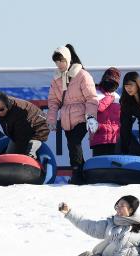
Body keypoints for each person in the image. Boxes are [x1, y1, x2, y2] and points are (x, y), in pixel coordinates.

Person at [47, 45, 99, 179]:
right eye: (56, 62)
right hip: (66, 118)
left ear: (68, 59)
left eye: (61, 61)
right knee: (72, 147)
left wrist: (91, 116)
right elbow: (53, 101)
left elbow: (91, 98)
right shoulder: (56, 78)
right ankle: (80, 173)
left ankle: (76, 174)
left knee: (74, 142)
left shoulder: (82, 75)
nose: (59, 64)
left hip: (82, 116)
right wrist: (51, 119)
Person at [0, 92, 50, 159]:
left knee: (28, 154)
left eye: (1, 109)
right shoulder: (0, 106)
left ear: (7, 104)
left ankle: (31, 158)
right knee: (8, 156)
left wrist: (20, 154)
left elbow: (21, 138)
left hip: (38, 128)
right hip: (19, 131)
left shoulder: (20, 112)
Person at [90, 68, 121, 156]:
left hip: (114, 139)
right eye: (109, 81)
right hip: (99, 138)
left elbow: (120, 118)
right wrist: (109, 98)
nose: (111, 84)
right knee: (99, 166)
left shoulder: (117, 96)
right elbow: (96, 109)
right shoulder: (94, 93)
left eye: (114, 83)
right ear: (104, 79)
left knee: (113, 167)